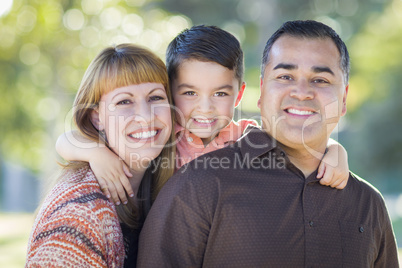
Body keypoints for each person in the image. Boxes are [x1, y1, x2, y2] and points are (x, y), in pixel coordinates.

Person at [136, 20, 399, 267]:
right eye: (285, 76)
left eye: (320, 80)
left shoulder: (368, 204)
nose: (302, 91)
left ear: (343, 99)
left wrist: (336, 149)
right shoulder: (194, 183)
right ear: (261, 92)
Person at [56, 25, 350, 206]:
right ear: (170, 93)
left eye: (220, 94)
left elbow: (299, 146)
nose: (205, 109)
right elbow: (66, 141)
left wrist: (335, 151)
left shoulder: (248, 136)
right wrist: (97, 153)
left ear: (238, 94)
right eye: (189, 93)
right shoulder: (162, 135)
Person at [25, 44, 175, 267]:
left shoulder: (165, 180)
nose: (145, 115)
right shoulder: (78, 216)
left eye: (155, 98)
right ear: (97, 118)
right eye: (124, 101)